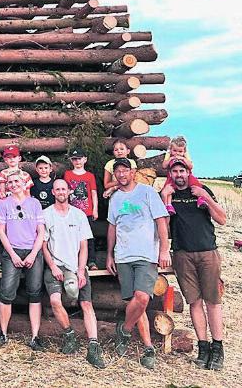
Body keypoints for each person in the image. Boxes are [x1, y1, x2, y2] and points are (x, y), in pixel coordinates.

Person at [106, 158, 171, 369]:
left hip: (145, 255)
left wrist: (163, 250)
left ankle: (124, 330)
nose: (122, 175)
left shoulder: (147, 193)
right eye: (118, 172)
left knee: (142, 298)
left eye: (125, 171)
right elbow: (112, 228)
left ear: (132, 172)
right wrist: (109, 255)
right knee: (135, 303)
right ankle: (149, 348)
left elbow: (161, 221)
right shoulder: (114, 198)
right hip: (123, 255)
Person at [162, 158, 226, 371]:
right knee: (194, 302)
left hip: (207, 252)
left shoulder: (201, 190)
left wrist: (206, 197)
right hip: (182, 255)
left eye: (182, 171)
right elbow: (162, 225)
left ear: (188, 172)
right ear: (170, 174)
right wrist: (164, 197)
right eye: (175, 171)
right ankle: (203, 346)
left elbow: (222, 219)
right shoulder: (169, 195)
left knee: (213, 302)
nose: (179, 175)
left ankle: (218, 348)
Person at [42, 179, 106, 368]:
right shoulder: (46, 215)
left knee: (86, 303)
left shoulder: (78, 215)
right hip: (55, 264)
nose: (61, 192)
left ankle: (93, 345)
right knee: (55, 300)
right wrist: (52, 266)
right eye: (57, 189)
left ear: (69, 192)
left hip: (76, 265)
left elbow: (84, 245)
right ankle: (69, 334)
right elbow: (44, 245)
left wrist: (80, 270)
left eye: (64, 189)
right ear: (53, 192)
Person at [0, 172, 46, 350]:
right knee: (7, 291)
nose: (13, 184)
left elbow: (41, 231)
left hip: (33, 251)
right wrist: (13, 255)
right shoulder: (3, 204)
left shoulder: (34, 203)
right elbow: (2, 232)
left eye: (17, 181)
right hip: (13, 251)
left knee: (34, 292)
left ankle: (35, 336)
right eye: (10, 182)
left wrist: (33, 254)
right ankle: (2, 332)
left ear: (25, 183)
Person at [63, 149, 99, 269]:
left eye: (79, 158)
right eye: (74, 159)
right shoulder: (68, 174)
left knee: (89, 237)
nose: (77, 161)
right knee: (72, 237)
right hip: (72, 212)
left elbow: (93, 193)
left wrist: (95, 210)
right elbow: (66, 192)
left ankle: (91, 261)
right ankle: (76, 261)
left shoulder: (89, 176)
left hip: (87, 212)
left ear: (85, 159)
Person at [160, 136, 203, 214]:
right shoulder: (169, 154)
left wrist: (183, 159)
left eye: (180, 151)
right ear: (171, 149)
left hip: (187, 175)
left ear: (184, 151)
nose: (177, 153)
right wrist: (170, 158)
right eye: (174, 150)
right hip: (172, 176)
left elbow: (191, 166)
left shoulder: (185, 155)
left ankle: (200, 199)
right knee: (168, 189)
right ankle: (168, 205)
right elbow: (164, 166)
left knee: (195, 184)